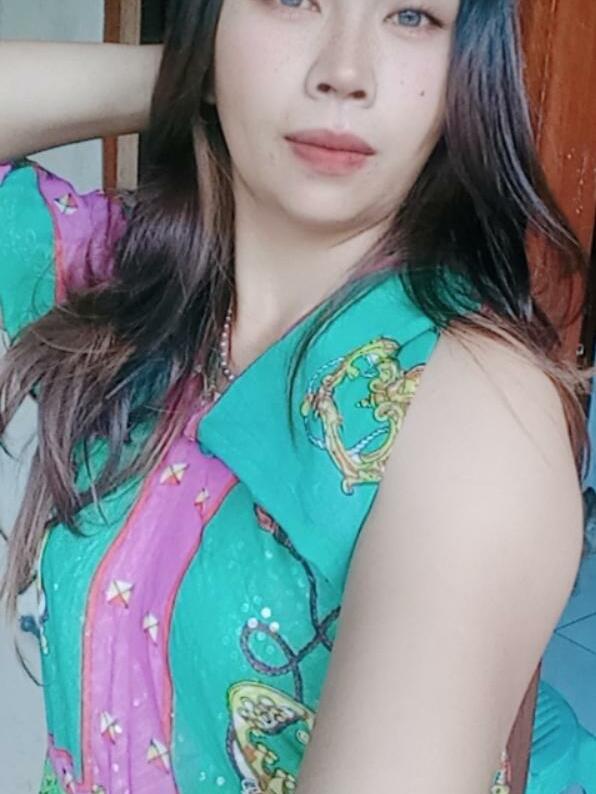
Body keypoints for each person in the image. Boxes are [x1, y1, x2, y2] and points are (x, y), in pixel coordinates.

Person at [0, 2, 592, 793]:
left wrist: (249, 70)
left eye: (412, 15)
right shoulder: (119, 281)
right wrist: (196, 74)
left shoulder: (474, 410)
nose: (344, 73)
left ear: (465, 72)